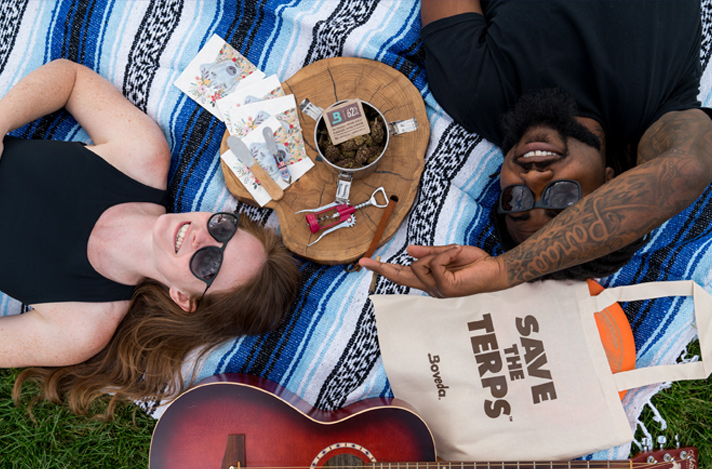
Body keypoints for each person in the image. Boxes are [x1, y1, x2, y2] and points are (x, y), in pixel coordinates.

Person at [0, 59, 300, 416]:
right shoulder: (141, 156)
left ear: (182, 298)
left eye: (209, 264)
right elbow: (69, 79)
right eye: (223, 228)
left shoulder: (83, 328)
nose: (200, 238)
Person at [359, 0, 712, 298]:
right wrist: (505, 273)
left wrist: (500, 268)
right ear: (611, 182)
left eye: (517, 202)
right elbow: (686, 171)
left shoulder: (473, 92)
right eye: (562, 197)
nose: (533, 179)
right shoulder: (656, 119)